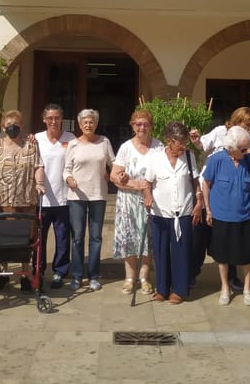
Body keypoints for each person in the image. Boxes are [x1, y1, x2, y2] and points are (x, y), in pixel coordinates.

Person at [189, 106, 250, 290]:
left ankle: (232, 279)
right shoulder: (220, 132)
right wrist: (195, 140)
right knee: (200, 236)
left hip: (232, 197)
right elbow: (202, 145)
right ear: (237, 121)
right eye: (248, 124)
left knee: (232, 237)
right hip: (209, 190)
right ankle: (191, 274)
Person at [201, 125, 250, 306]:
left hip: (243, 215)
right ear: (231, 147)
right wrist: (208, 209)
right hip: (221, 215)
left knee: (245, 257)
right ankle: (225, 288)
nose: (247, 151)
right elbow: (206, 183)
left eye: (248, 148)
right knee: (222, 256)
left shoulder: (249, 160)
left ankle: (247, 288)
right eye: (243, 148)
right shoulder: (217, 160)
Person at [0, 109, 46, 292]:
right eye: (8, 125)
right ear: (2, 127)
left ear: (21, 126)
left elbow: (39, 166)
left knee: (25, 239)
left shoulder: (30, 145)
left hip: (25, 201)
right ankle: (4, 274)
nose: (12, 128)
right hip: (1, 201)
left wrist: (39, 183)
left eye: (16, 125)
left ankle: (25, 274)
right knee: (3, 240)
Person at [143, 121, 200, 304]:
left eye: (185, 142)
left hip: (183, 212)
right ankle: (162, 288)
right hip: (160, 212)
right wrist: (147, 196)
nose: (183, 146)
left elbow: (196, 182)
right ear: (169, 140)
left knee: (181, 253)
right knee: (160, 252)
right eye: (180, 142)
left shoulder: (189, 158)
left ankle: (179, 290)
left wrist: (199, 203)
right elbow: (147, 183)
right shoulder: (155, 158)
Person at [110, 109, 161, 296]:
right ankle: (129, 279)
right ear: (132, 126)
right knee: (129, 239)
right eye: (138, 124)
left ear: (151, 126)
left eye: (145, 124)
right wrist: (131, 182)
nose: (142, 127)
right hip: (128, 201)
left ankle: (144, 278)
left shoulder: (159, 146)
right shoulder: (126, 147)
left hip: (151, 200)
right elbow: (113, 175)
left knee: (148, 239)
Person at [63, 108, 115, 291]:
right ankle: (76, 275)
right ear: (79, 124)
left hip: (98, 194)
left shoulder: (104, 142)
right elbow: (66, 169)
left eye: (91, 121)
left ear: (96, 123)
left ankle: (94, 275)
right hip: (76, 196)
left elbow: (113, 163)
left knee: (96, 237)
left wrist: (113, 174)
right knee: (77, 237)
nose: (88, 124)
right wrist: (68, 179)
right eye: (85, 122)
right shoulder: (73, 144)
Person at [35, 103, 76, 289]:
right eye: (50, 118)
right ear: (44, 119)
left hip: (64, 197)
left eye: (57, 118)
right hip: (42, 199)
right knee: (39, 238)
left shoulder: (70, 138)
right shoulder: (35, 139)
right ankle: (39, 270)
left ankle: (60, 271)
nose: (53, 121)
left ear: (62, 119)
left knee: (62, 238)